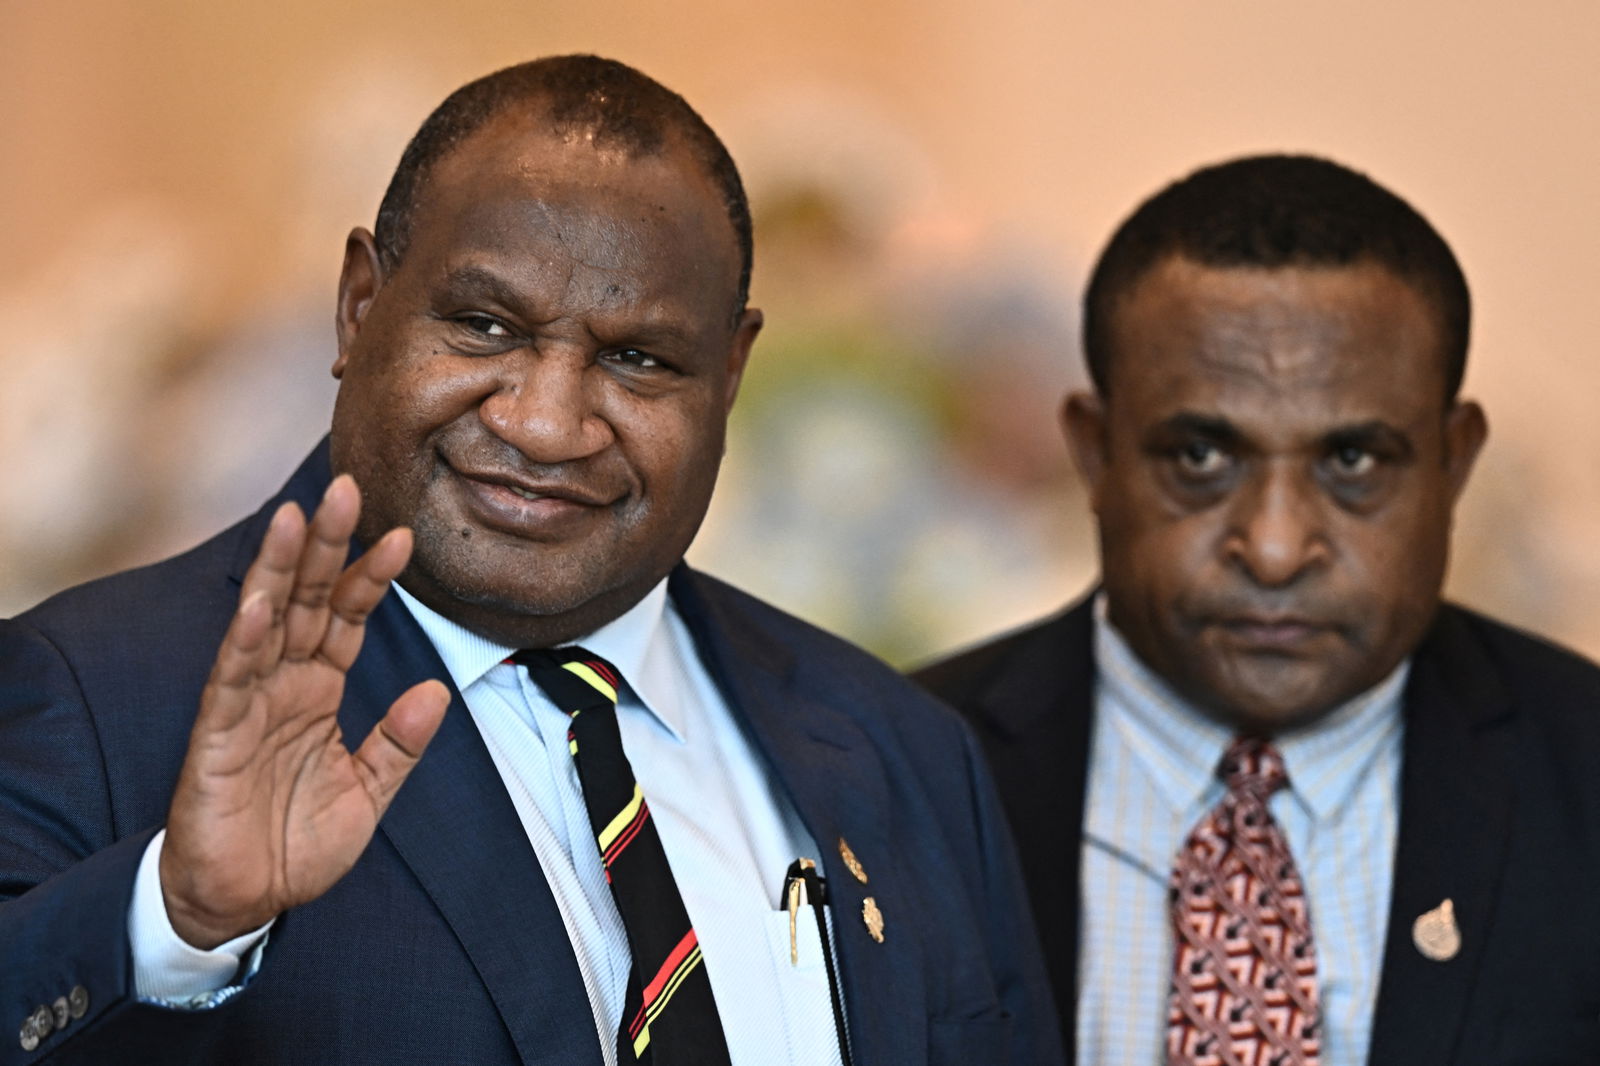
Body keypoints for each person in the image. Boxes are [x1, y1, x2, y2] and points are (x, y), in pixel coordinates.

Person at [0, 56, 1059, 1066]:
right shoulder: (92, 696)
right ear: (359, 304)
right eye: (483, 327)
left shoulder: (905, 753)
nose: (548, 425)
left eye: (637, 359)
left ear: (730, 372)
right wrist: (174, 923)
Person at [915, 154, 1600, 1065]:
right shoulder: (898, 777)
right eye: (1201, 456)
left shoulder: (1584, 774)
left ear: (1455, 462)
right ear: (1093, 452)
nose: (1275, 548)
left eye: (1353, 461)